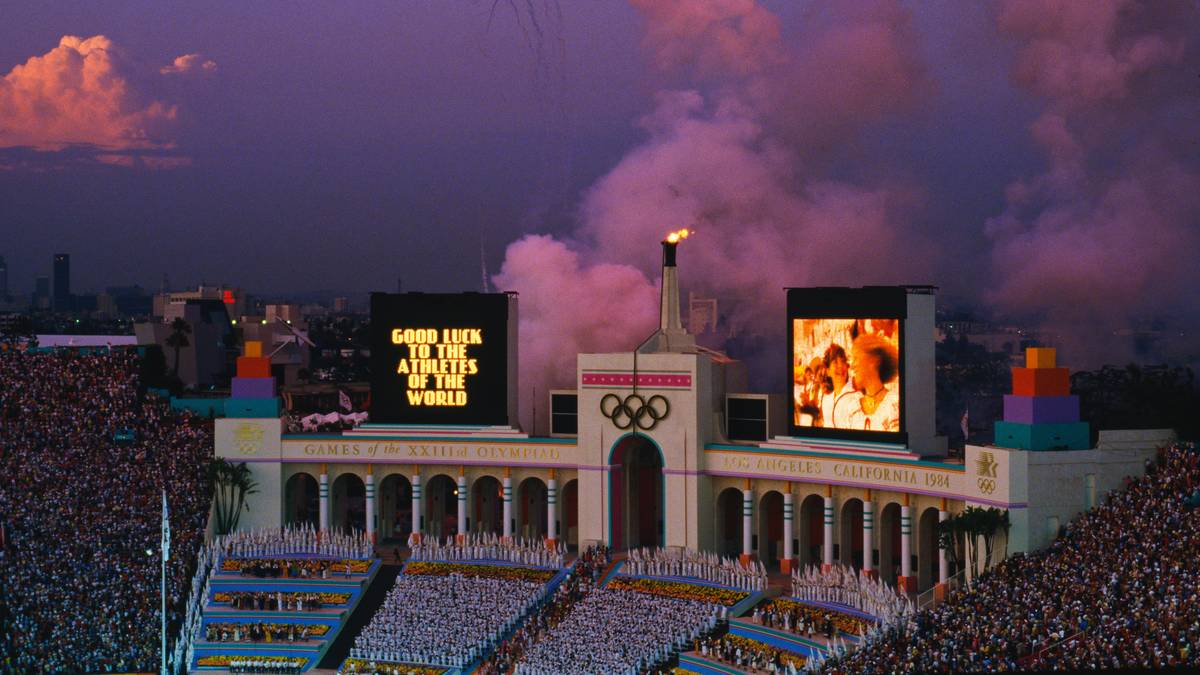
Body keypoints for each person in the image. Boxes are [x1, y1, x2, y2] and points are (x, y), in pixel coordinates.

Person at [846, 334, 901, 432]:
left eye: (855, 358)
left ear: (874, 360)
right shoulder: (852, 407)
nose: (852, 366)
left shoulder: (894, 403)